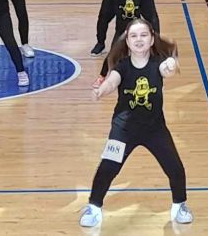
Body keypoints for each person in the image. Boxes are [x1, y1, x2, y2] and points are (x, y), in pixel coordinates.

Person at [80, 18, 192, 228]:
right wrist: (101, 90)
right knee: (108, 167)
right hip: (123, 130)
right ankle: (93, 208)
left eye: (143, 35)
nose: (139, 40)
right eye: (134, 36)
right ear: (127, 41)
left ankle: (180, 205)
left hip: (154, 129)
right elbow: (112, 81)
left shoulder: (158, 63)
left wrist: (171, 64)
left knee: (175, 168)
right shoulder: (122, 67)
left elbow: (167, 70)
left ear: (152, 40)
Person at [95, 0, 160, 81]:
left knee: (147, 54)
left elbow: (151, 14)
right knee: (113, 54)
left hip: (136, 30)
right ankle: (101, 77)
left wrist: (155, 36)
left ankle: (154, 78)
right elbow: (105, 15)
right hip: (121, 30)